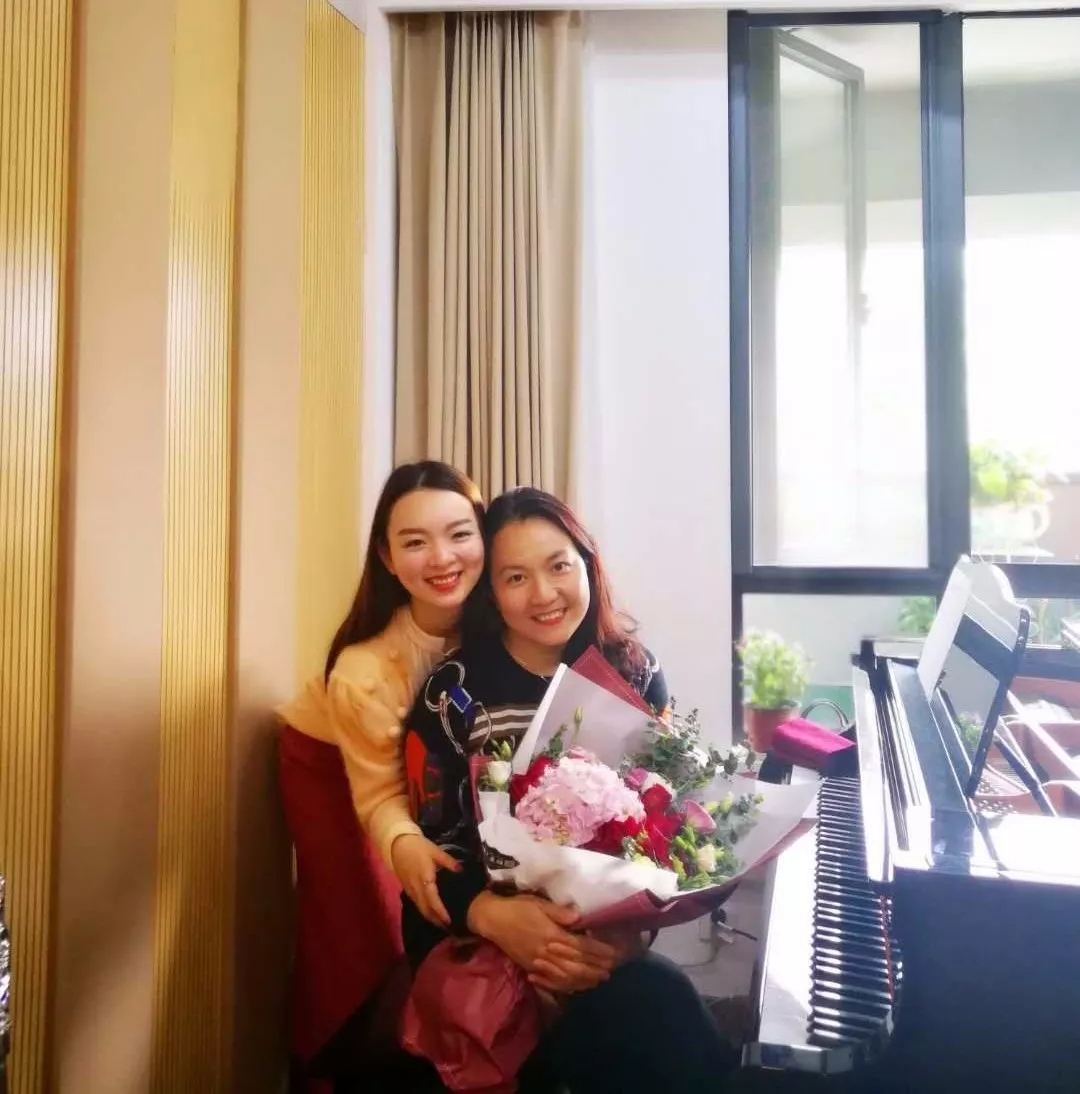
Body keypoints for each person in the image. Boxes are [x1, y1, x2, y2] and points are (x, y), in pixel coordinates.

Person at [400, 487, 739, 1092]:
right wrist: (495, 919)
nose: (544, 594)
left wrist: (625, 940)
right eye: (515, 577)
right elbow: (429, 858)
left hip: (599, 952)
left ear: (588, 564)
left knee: (664, 1011)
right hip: (482, 948)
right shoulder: (455, 693)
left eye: (559, 566)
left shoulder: (634, 672)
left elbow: (662, 834)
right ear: (490, 591)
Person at [277, 461, 485, 1080]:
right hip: (327, 759)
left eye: (459, 534)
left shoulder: (500, 619)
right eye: (415, 542)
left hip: (416, 767)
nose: (442, 558)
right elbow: (380, 793)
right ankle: (329, 1067)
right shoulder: (363, 673)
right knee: (360, 924)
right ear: (388, 559)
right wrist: (402, 840)